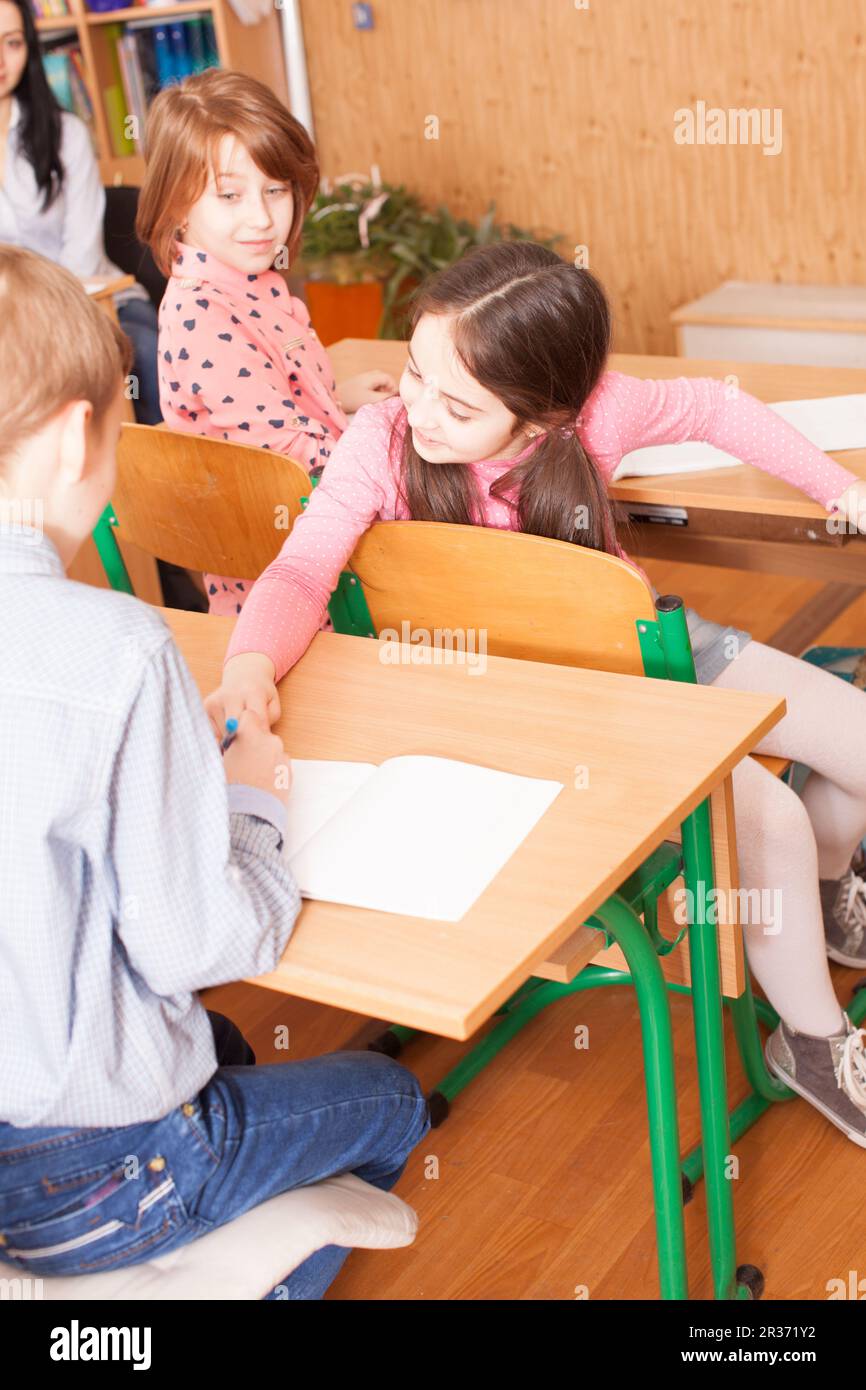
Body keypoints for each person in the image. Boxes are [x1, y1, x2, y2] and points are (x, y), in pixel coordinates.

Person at [205, 239, 866, 1146]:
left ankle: (830, 893)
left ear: (541, 419)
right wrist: (248, 663)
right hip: (549, 709)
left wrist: (841, 490)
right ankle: (815, 1038)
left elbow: (720, 408)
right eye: (414, 374)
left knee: (855, 739)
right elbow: (301, 570)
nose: (419, 412)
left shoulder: (598, 411)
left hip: (650, 648)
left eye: (457, 403)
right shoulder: (381, 443)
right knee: (772, 824)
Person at [0, 245, 429, 1298]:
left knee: (230, 1043)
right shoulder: (117, 648)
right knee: (391, 1100)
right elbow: (201, 939)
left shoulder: (99, 667)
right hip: (99, 1166)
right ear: (70, 440)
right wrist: (251, 807)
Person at [137, 68, 398, 614]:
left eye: (275, 190)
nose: (261, 218)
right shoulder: (203, 310)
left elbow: (260, 402)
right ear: (176, 204)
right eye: (229, 195)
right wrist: (403, 451)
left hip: (318, 541)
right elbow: (289, 458)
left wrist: (334, 395)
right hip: (297, 585)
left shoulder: (251, 279)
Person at [0, 0, 161, 426]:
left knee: (144, 354)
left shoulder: (65, 133)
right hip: (8, 321)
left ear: (29, 49)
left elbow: (82, 252)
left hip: (98, 302)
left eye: (11, 43)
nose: (0, 60)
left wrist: (47, 324)